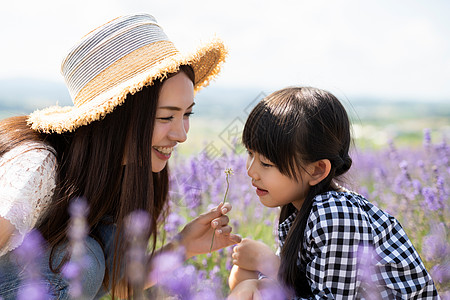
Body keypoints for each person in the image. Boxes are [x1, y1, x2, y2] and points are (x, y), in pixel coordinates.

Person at [0, 13, 241, 299]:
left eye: (187, 114)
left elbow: (118, 284)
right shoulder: (37, 166)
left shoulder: (124, 175)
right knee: (82, 258)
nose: (182, 134)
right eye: (166, 117)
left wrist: (184, 245)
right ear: (117, 117)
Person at [228, 87, 439, 299]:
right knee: (247, 279)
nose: (250, 170)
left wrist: (272, 265)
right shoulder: (300, 211)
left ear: (318, 169)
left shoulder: (336, 215)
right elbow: (301, 285)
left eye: (266, 163)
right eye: (249, 153)